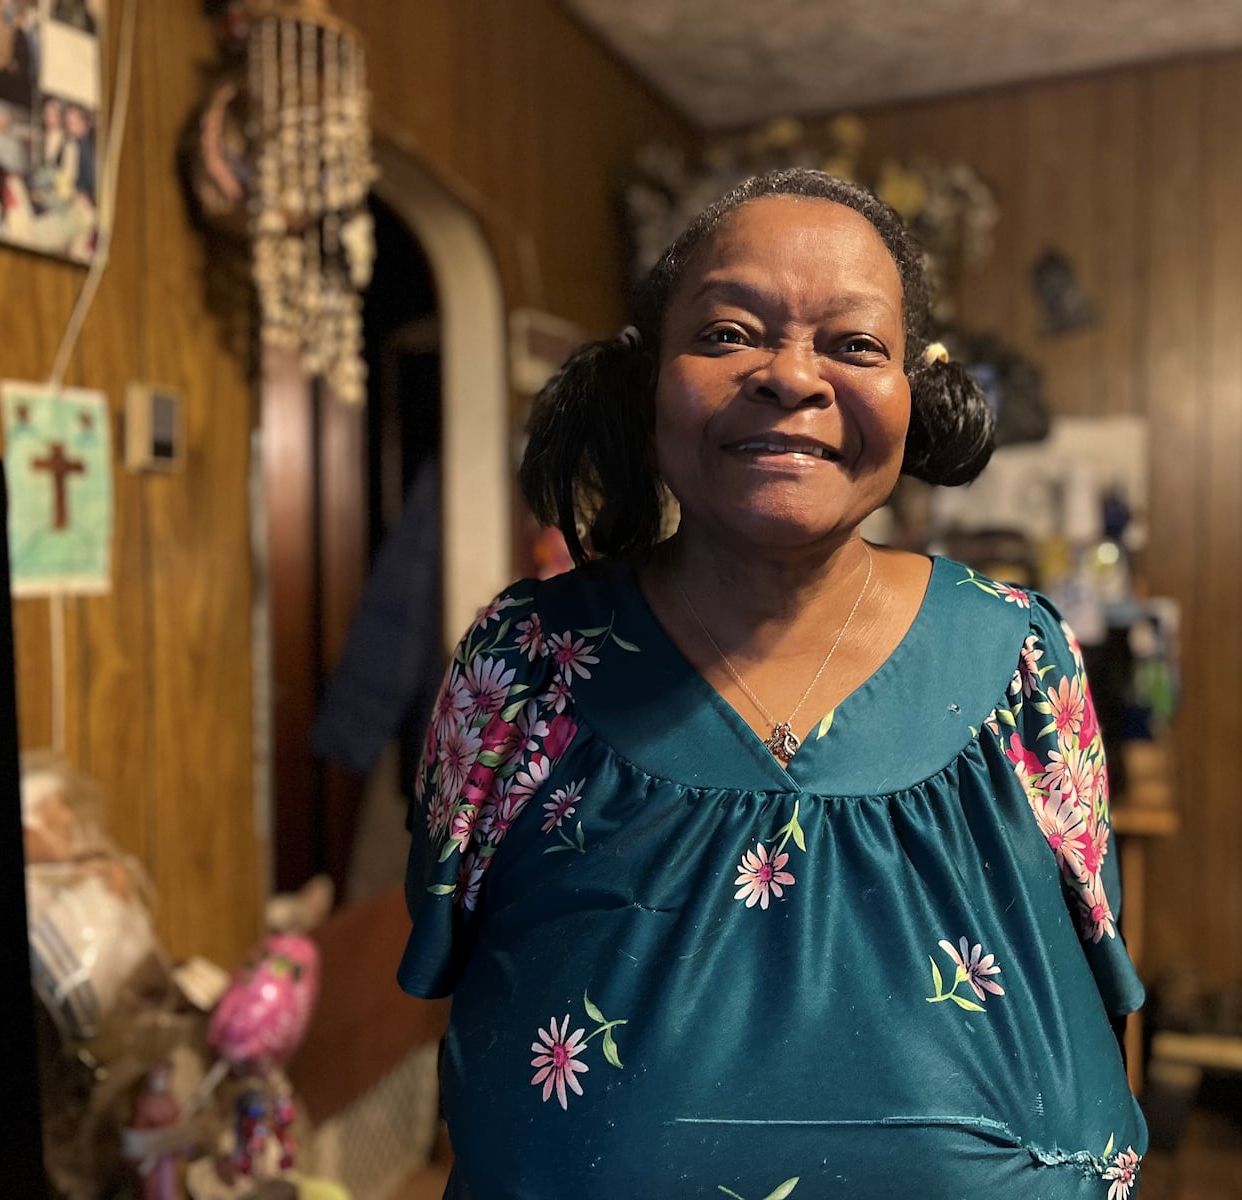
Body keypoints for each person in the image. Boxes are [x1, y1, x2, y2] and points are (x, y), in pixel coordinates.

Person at [399, 168, 1147, 1198]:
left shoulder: (1021, 655)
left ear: (912, 391)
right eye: (726, 334)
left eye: (853, 344)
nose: (791, 378)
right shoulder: (523, 664)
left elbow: (1097, 980)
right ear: (644, 379)